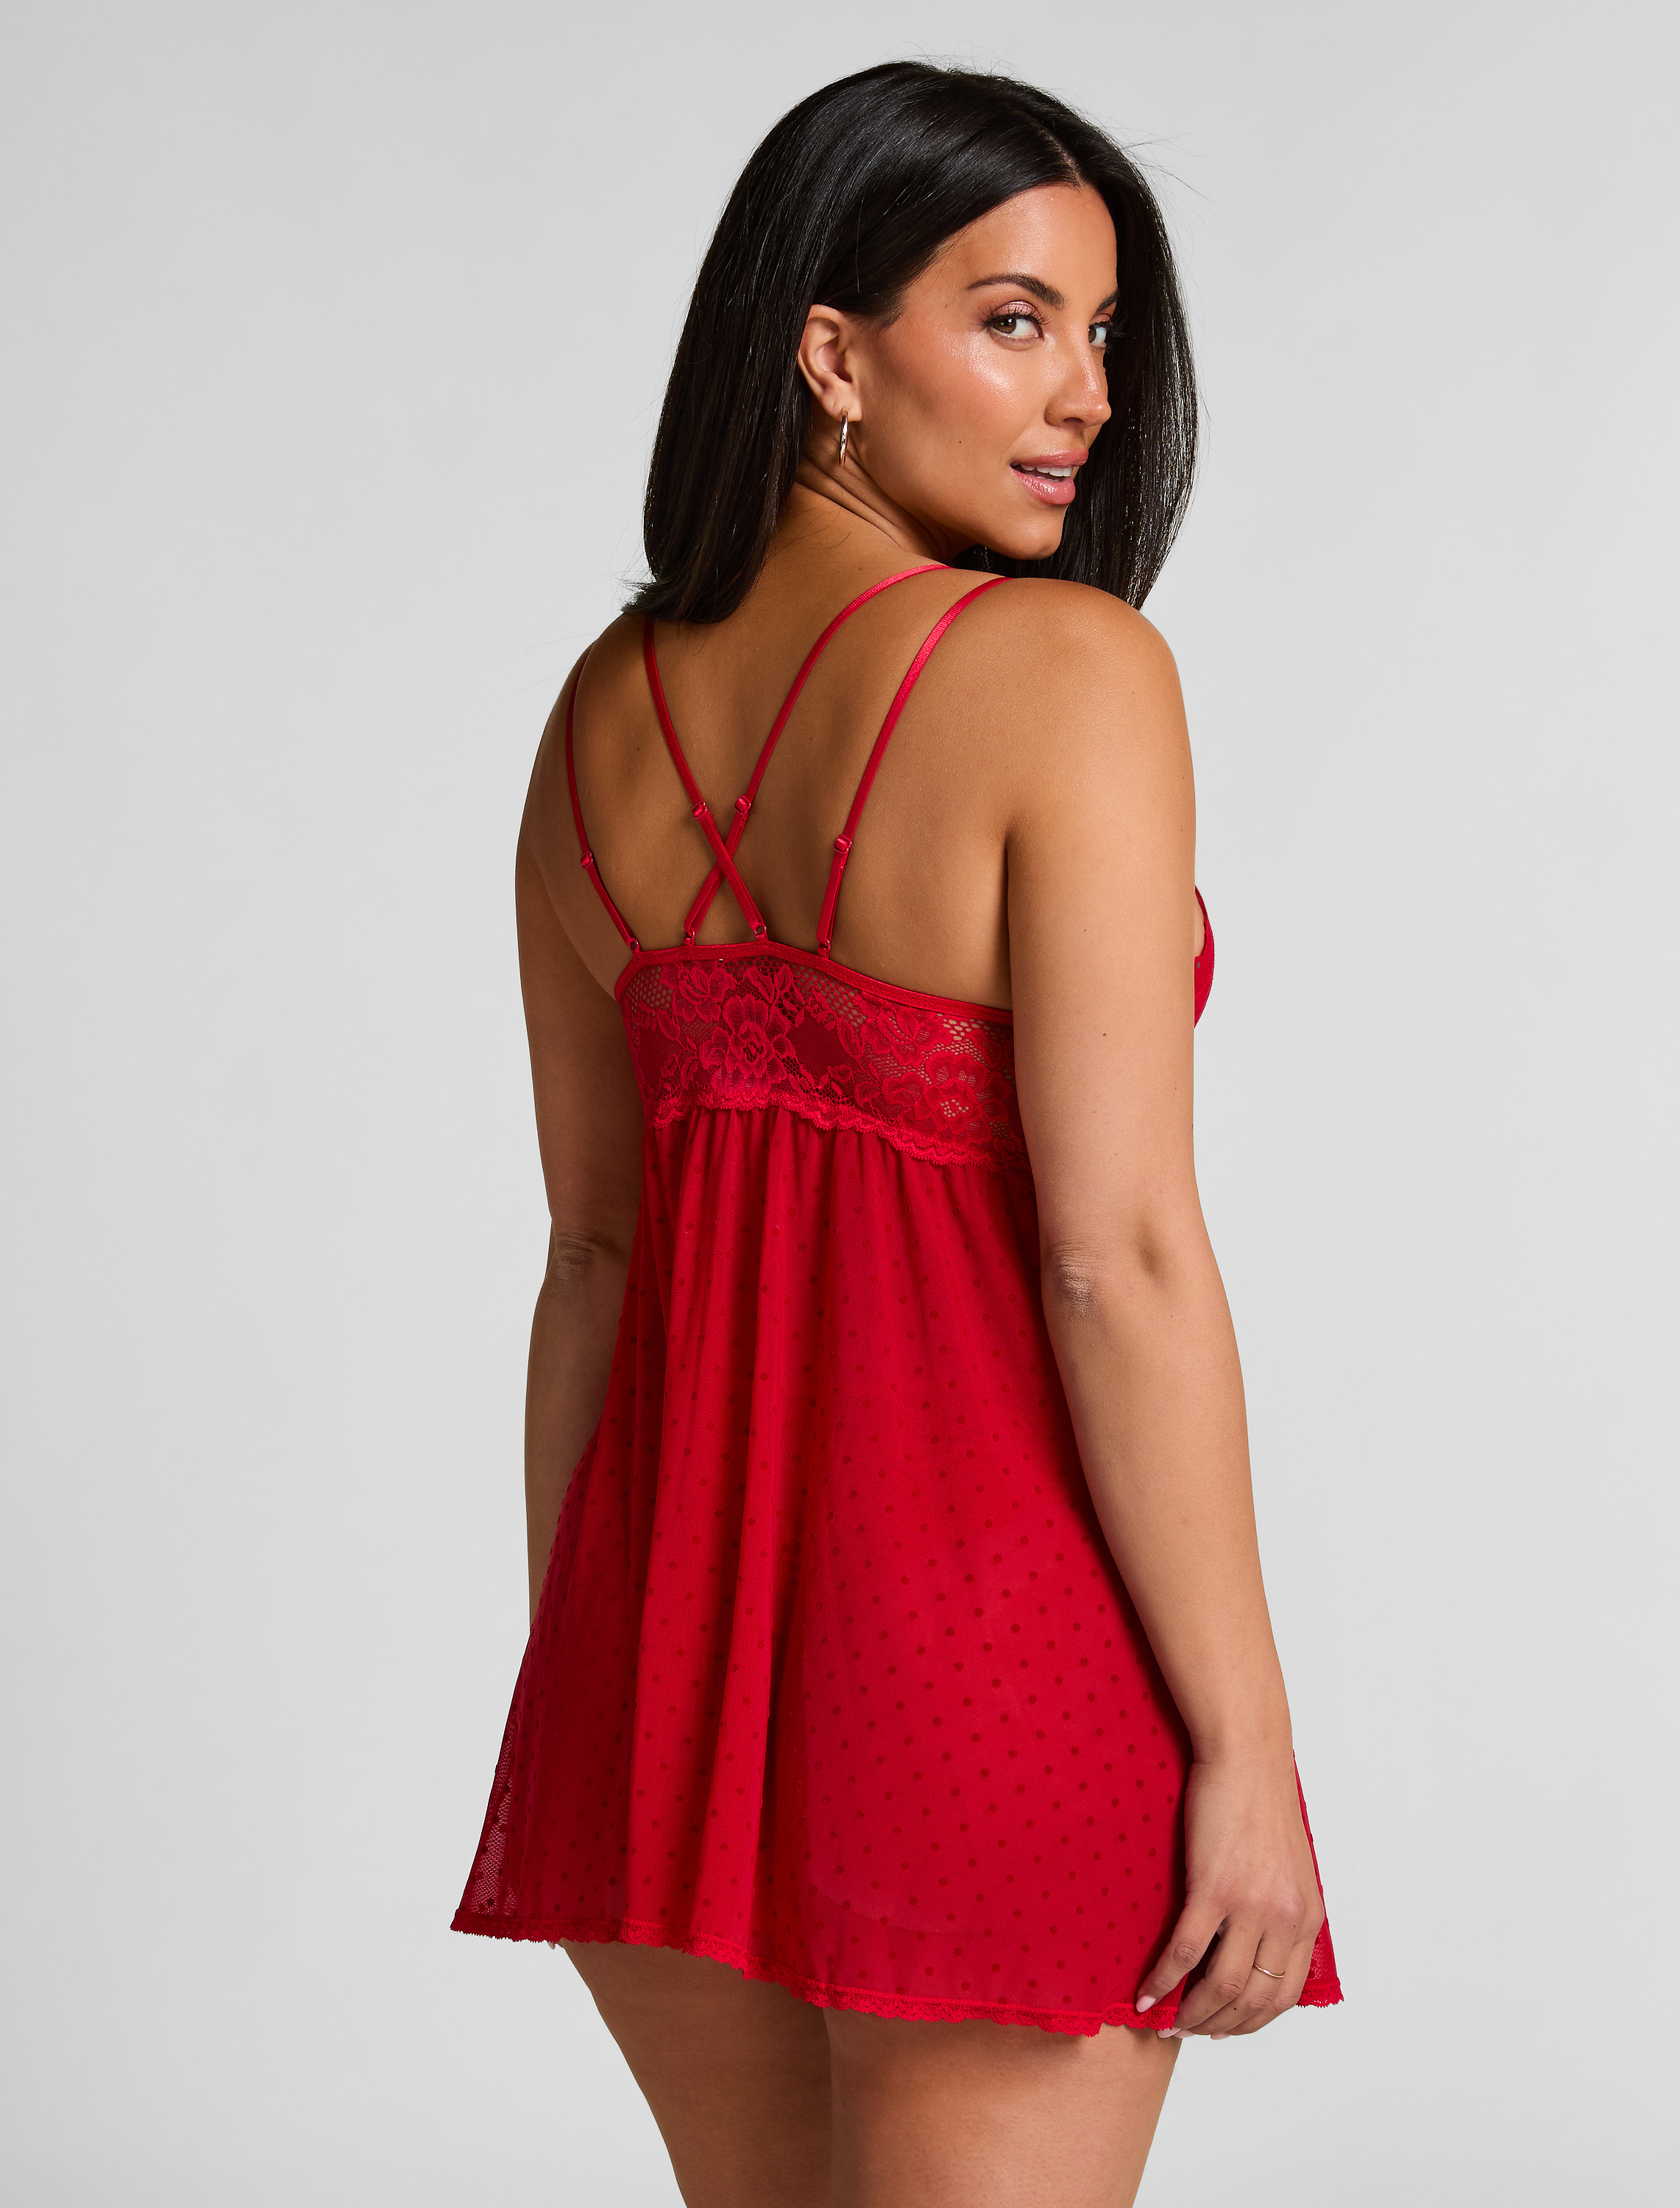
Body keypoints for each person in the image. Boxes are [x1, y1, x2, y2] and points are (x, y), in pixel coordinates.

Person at [453, 60, 1340, 2208]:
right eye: (1015, 319)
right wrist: (1247, 1746)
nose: (1088, 394)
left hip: (656, 1690)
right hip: (986, 1678)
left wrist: (607, 1678)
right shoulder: (1069, 671)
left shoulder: (596, 715)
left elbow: (592, 1260)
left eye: (1102, 331)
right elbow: (1114, 1255)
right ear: (831, 355)